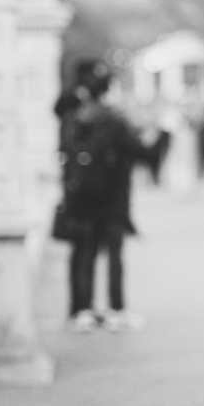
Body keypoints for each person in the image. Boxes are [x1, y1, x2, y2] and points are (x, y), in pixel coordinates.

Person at [55, 60, 168, 333]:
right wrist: (164, 134)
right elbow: (144, 153)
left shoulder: (72, 119)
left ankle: (81, 310)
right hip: (114, 200)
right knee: (115, 256)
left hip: (80, 199)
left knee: (84, 254)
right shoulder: (114, 121)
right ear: (107, 91)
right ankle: (116, 310)